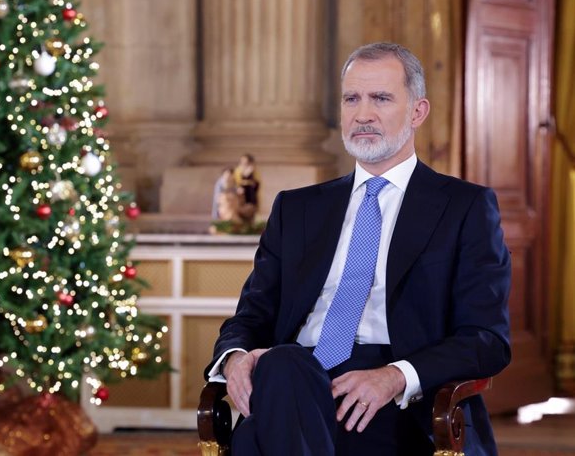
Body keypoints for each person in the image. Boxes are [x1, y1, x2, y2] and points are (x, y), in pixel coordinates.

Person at [204, 42, 511, 456]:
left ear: (418, 112)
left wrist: (395, 377)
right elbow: (251, 316)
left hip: (398, 402)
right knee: (282, 363)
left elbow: (487, 339)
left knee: (265, 428)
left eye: (381, 98)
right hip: (294, 377)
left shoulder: (464, 207)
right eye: (352, 99)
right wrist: (236, 359)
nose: (362, 114)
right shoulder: (296, 209)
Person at [233, 154, 261, 222]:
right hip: (240, 197)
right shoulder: (237, 170)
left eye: (246, 162)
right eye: (242, 162)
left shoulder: (254, 171)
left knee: (251, 214)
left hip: (251, 196)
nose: (244, 164)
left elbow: (257, 184)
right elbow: (235, 183)